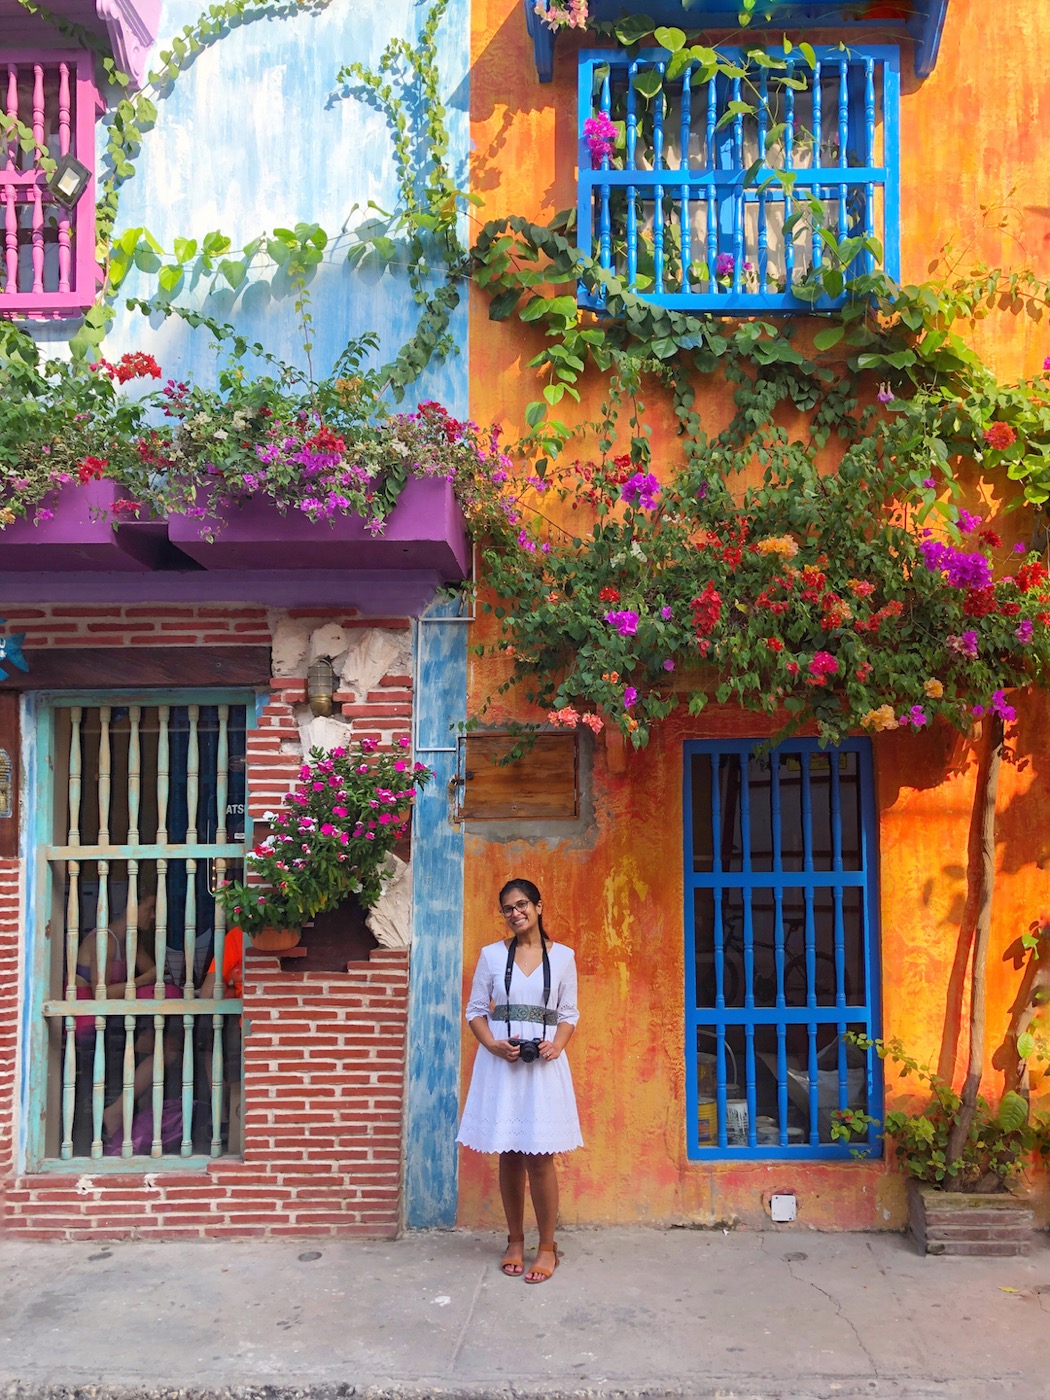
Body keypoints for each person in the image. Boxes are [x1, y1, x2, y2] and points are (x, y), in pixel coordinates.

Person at [456, 877, 582, 1284]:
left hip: (544, 1068)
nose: (516, 913)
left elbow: (569, 1014)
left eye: (523, 904)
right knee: (508, 1153)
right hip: (502, 1065)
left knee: (540, 1158)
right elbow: (475, 1011)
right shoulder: (492, 956)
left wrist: (558, 1046)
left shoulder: (563, 957)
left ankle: (547, 1247)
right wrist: (493, 1045)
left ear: (539, 906)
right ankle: (514, 1240)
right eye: (508, 908)